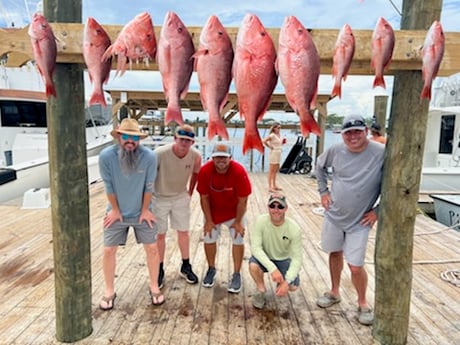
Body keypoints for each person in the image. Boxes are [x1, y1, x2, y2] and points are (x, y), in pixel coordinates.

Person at [315, 114, 384, 326]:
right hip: (334, 215)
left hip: (360, 221)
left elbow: (396, 182)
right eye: (348, 133)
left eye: (357, 131)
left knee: (355, 265)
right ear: (342, 134)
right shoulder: (335, 150)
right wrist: (323, 192)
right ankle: (334, 292)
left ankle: (363, 303)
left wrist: (378, 211)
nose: (353, 136)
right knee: (334, 253)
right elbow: (318, 167)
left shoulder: (381, 152)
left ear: (366, 131)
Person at [98, 118, 164, 310]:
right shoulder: (105, 156)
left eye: (134, 137)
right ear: (119, 136)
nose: (130, 141)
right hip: (116, 210)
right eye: (126, 136)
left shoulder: (150, 157)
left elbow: (149, 186)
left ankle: (153, 286)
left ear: (139, 139)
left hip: (142, 210)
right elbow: (108, 186)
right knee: (108, 250)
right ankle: (109, 290)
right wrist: (115, 210)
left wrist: (144, 210)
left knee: (152, 248)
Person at [196, 143, 252, 293]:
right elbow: (204, 197)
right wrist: (208, 220)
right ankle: (211, 269)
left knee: (238, 238)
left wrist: (238, 222)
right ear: (212, 158)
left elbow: (243, 200)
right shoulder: (205, 171)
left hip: (235, 211)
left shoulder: (239, 171)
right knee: (209, 237)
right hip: (213, 211)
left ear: (230, 158)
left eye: (224, 157)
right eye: (217, 157)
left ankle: (237, 274)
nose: (221, 160)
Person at [153, 124, 201, 288]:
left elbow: (195, 174)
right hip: (159, 196)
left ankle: (185, 265)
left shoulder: (195, 156)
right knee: (160, 234)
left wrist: (190, 192)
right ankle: (159, 268)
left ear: (192, 142)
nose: (184, 143)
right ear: (175, 138)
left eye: (188, 140)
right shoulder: (159, 153)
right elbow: (149, 177)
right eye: (181, 139)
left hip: (180, 196)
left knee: (184, 232)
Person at [249, 193, 302, 309]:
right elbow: (256, 248)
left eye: (280, 207)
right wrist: (273, 269)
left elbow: (297, 259)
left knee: (293, 287)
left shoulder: (294, 229)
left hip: (283, 259)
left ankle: (282, 281)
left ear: (286, 208)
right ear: (268, 207)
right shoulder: (260, 221)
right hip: (265, 257)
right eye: (272, 206)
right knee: (253, 265)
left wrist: (287, 282)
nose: (276, 210)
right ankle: (261, 290)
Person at [263, 122, 286, 192]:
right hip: (274, 152)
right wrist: (270, 146)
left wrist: (282, 143)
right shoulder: (272, 135)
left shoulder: (278, 135)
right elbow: (264, 141)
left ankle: (274, 185)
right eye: (278, 128)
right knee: (271, 170)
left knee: (276, 170)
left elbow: (278, 143)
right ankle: (270, 186)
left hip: (279, 152)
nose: (279, 129)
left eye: (280, 128)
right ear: (274, 128)